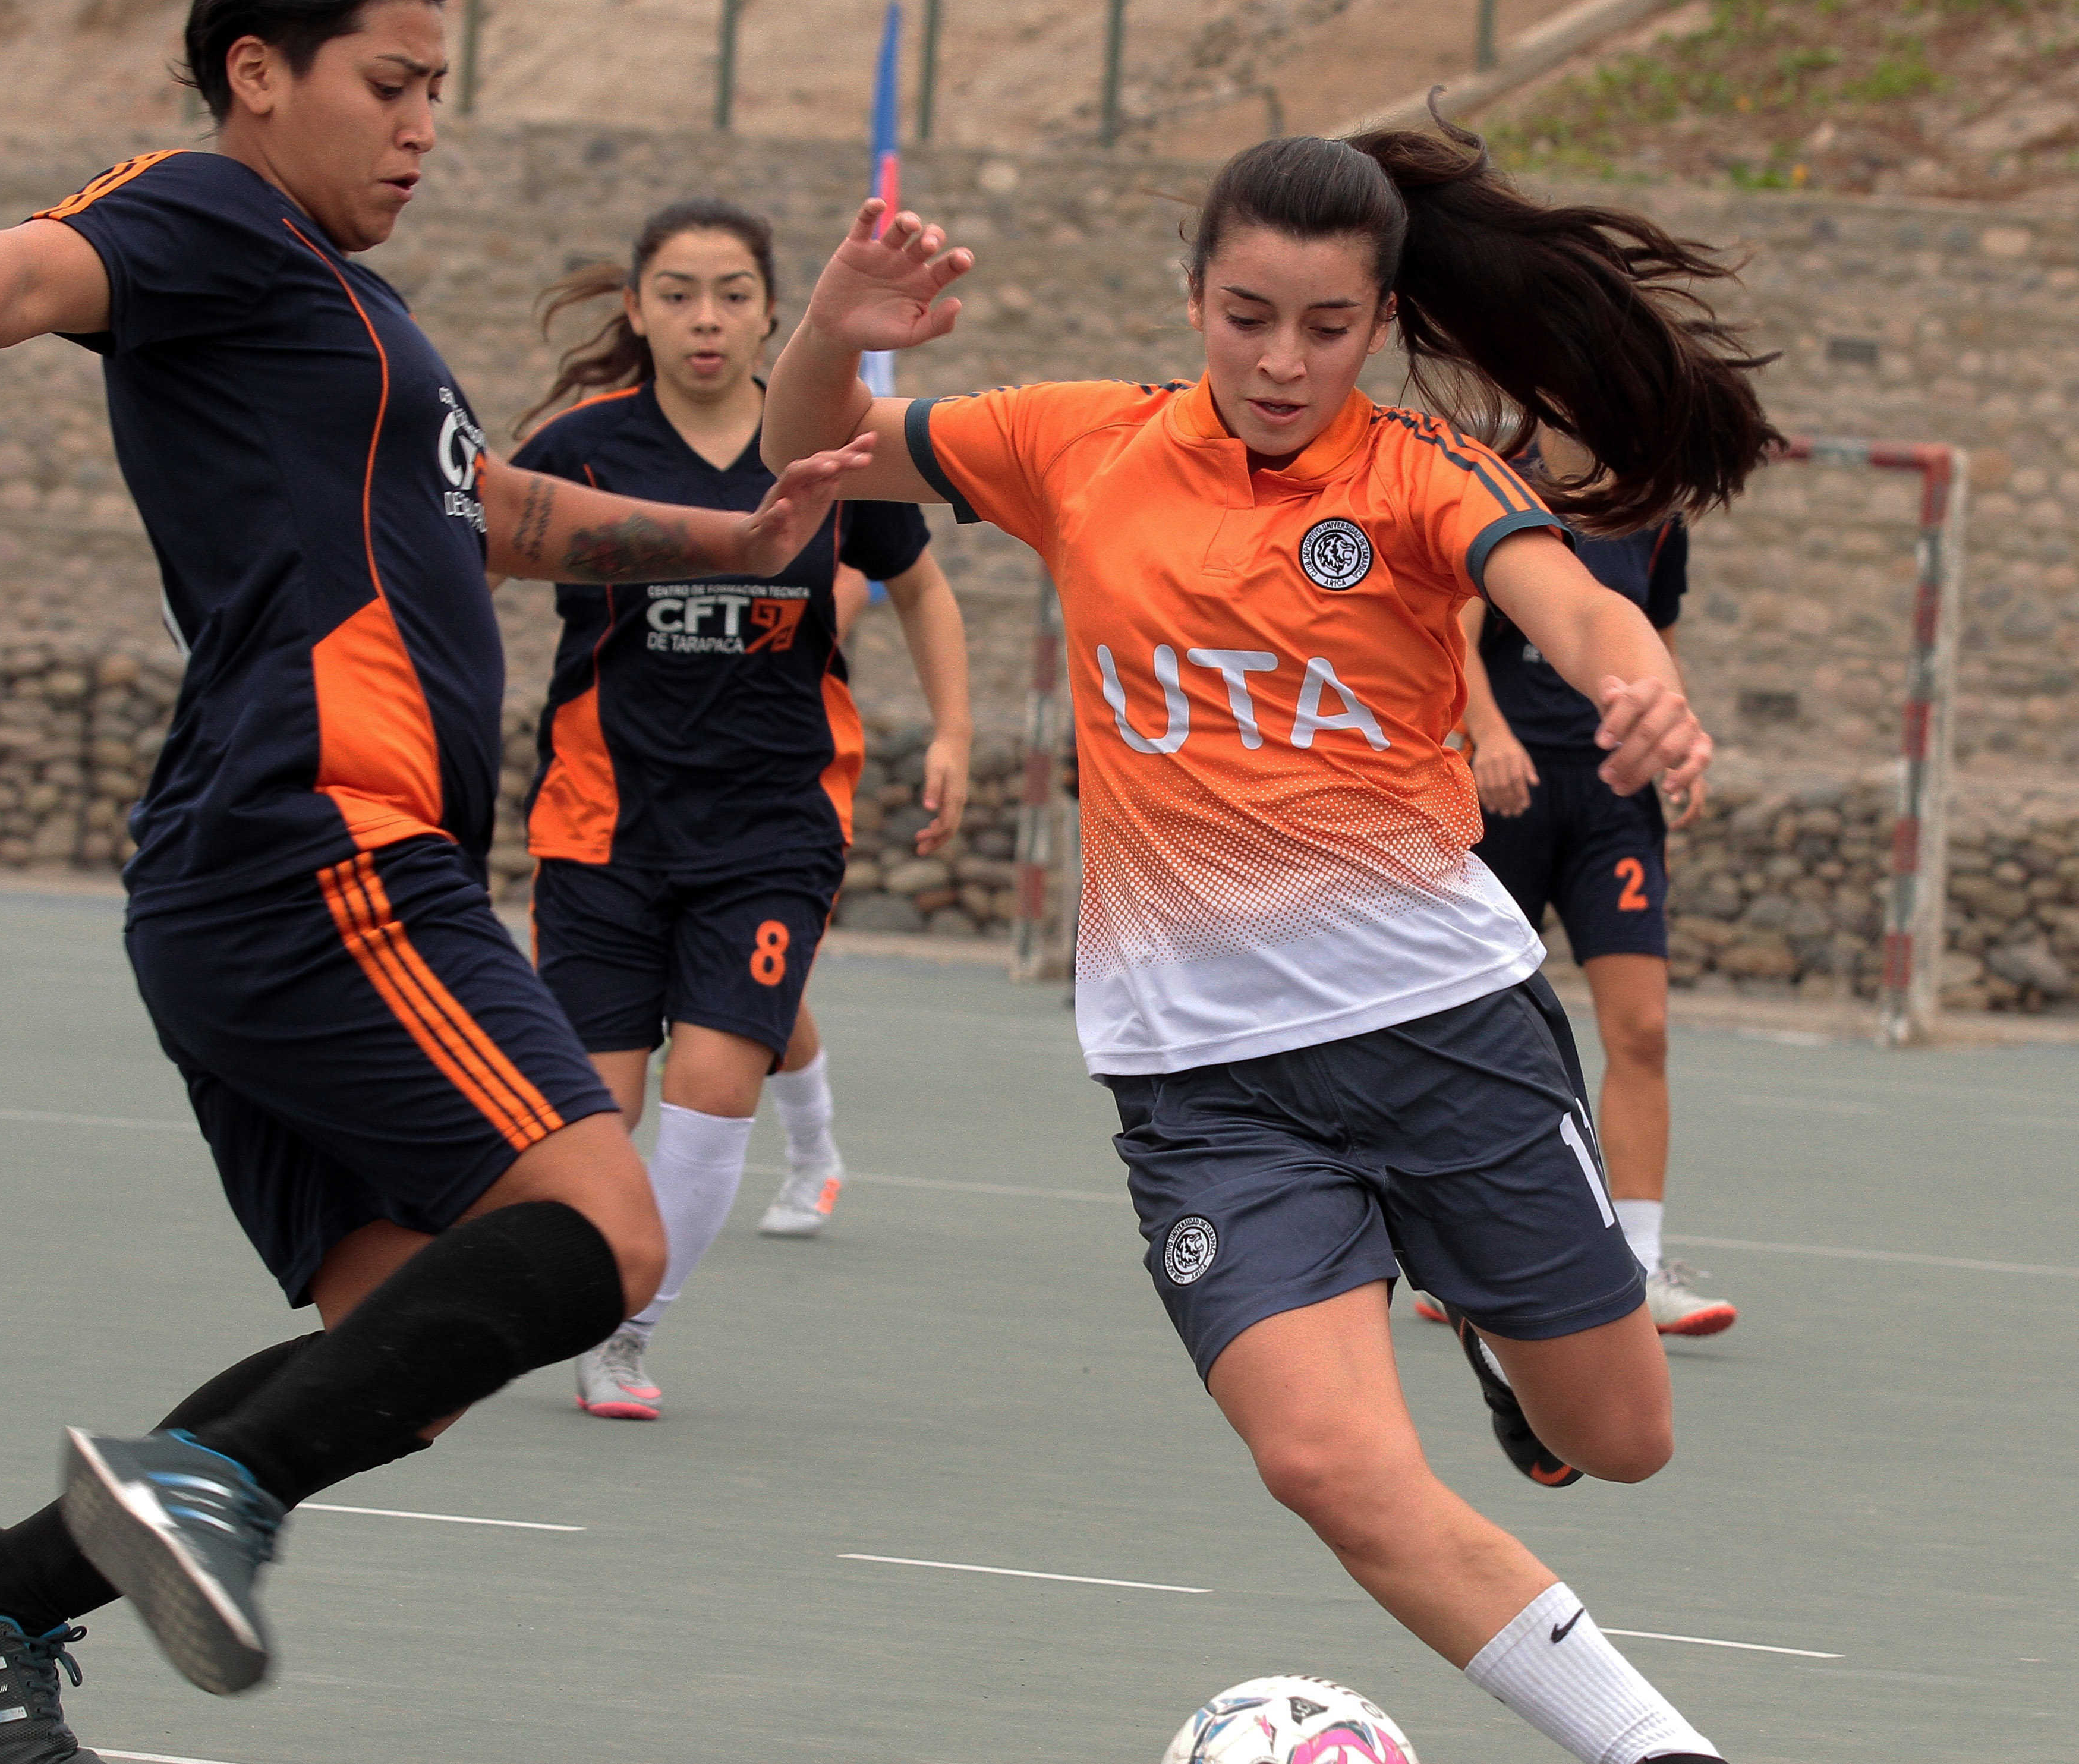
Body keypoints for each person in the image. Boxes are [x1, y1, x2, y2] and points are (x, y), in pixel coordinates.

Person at [0, 0, 873, 1762]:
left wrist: (733, 539)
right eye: (388, 83)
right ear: (258, 77)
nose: (422, 124)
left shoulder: (354, 319)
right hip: (318, 840)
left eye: (440, 89)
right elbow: (31, 267)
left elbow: (490, 509)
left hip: (255, 870)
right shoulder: (211, 216)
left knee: (405, 1356)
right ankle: (207, 1500)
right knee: (602, 1234)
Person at [759, 114, 1779, 1764]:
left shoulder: (1419, 476)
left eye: (1322, 325)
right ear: (1190, 298)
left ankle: (1515, 1363)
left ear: (1376, 322)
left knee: (1621, 1437)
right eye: (1245, 316)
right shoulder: (1075, 444)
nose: (1282, 359)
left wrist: (1628, 675)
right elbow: (801, 450)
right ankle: (1655, 1750)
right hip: (1204, 1082)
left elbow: (1562, 598)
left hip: (1441, 1026)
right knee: (1321, 1465)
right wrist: (830, 327)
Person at [502, 197, 972, 1420]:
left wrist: (955, 734)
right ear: (636, 309)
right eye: (676, 292)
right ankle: (565, 1284)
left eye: (729, 294)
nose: (704, 319)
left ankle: (627, 1327)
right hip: (602, 824)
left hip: (771, 826)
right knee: (596, 1111)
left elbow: (920, 590)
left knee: (714, 1078)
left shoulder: (832, 444)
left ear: (775, 312)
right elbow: (465, 558)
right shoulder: (578, 452)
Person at [1420, 499, 1737, 1337]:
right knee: (1472, 1026)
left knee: (1642, 1028)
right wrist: (1482, 733)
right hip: (1505, 788)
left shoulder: (1658, 516)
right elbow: (1454, 625)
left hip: (1612, 800)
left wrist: (1677, 737)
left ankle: (1636, 1264)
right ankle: (1456, 1252)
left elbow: (1653, 644)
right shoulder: (1497, 491)